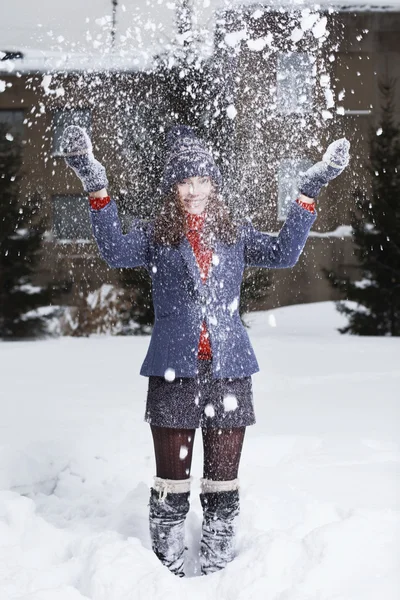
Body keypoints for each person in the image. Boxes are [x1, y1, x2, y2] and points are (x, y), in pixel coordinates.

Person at [60, 124, 350, 577]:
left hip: (229, 368)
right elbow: (114, 251)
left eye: (201, 180)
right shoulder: (157, 236)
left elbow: (285, 252)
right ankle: (168, 570)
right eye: (184, 182)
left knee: (223, 482)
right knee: (172, 484)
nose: (193, 191)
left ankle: (219, 570)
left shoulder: (234, 233)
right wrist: (94, 182)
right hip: (174, 367)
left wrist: (310, 189)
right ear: (173, 187)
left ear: (214, 183)